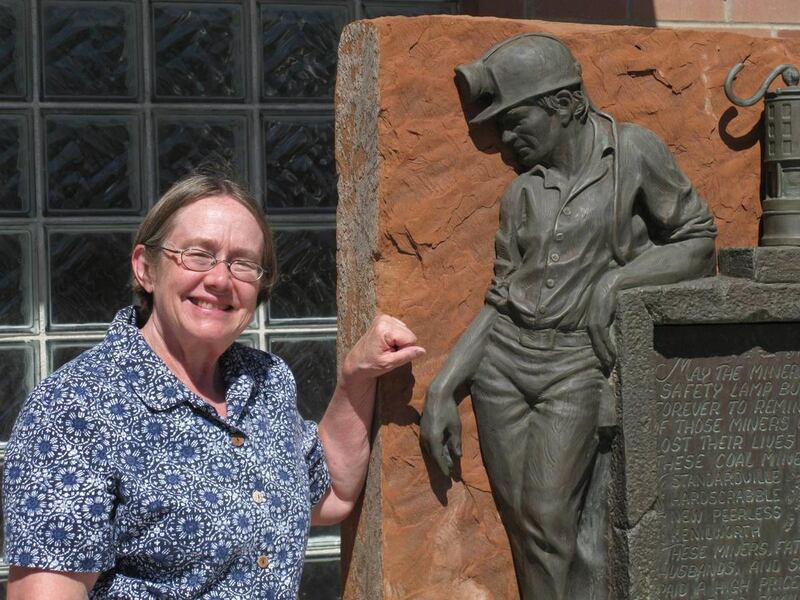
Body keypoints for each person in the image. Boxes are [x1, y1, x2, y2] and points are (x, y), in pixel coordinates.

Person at [3, 172, 425, 599]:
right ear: (145, 267)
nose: (220, 279)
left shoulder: (266, 382)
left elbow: (331, 494)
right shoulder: (75, 408)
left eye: (242, 263)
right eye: (197, 255)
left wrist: (356, 377)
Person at [420, 33, 717, 600]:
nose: (507, 140)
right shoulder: (520, 195)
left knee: (550, 519)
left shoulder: (633, 153)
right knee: (528, 529)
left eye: (515, 121)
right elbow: (502, 299)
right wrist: (445, 385)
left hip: (577, 366)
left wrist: (619, 280)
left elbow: (697, 240)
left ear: (564, 103)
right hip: (503, 366)